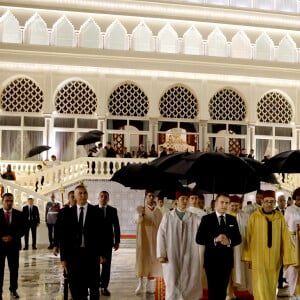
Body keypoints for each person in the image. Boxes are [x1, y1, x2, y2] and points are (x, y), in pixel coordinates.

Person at [242, 190, 296, 300]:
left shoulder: (279, 217)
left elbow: (285, 238)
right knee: (260, 285)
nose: (269, 204)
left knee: (272, 286)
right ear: (262, 201)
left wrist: (287, 258)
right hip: (258, 258)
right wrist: (248, 257)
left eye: (271, 202)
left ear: (275, 202)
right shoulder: (254, 217)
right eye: (266, 201)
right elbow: (248, 237)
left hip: (275, 258)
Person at [59, 185, 105, 300]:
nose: (83, 195)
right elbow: (63, 237)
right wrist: (63, 258)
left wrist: (103, 254)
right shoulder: (67, 213)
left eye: (85, 193)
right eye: (80, 193)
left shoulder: (97, 212)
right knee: (76, 287)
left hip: (92, 255)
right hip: (73, 256)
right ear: (74, 196)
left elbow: (102, 235)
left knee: (94, 287)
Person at [157, 191, 203, 300]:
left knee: (190, 279)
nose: (185, 201)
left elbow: (204, 228)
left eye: (186, 199)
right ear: (177, 201)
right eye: (182, 199)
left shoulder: (194, 217)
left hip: (190, 253)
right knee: (172, 280)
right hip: (172, 254)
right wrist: (161, 254)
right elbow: (161, 235)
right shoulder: (168, 217)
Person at [196, 193, 241, 300]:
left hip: (227, 261)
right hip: (211, 261)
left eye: (226, 203)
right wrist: (215, 240)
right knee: (213, 290)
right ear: (215, 203)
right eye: (222, 202)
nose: (224, 205)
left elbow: (238, 238)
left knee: (222, 290)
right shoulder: (206, 219)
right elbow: (199, 239)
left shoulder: (232, 219)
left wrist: (229, 241)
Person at [134, 190, 162, 295]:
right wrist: (140, 214)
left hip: (154, 239)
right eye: (149, 196)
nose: (151, 198)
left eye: (152, 196)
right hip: (143, 239)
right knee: (142, 260)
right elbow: (136, 220)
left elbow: (161, 226)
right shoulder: (140, 209)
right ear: (146, 197)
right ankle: (140, 283)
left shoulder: (158, 211)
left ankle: (150, 285)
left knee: (153, 261)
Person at [0, 193, 26, 299]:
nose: (9, 203)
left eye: (11, 200)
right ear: (2, 201)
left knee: (14, 269)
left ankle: (13, 290)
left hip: (14, 246)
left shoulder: (19, 214)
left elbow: (23, 229)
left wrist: (13, 237)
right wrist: (1, 237)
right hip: (0, 246)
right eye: (7, 201)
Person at [226, 195, 251, 300]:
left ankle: (235, 290)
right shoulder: (224, 216)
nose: (234, 208)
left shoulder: (245, 216)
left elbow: (249, 232)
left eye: (236, 205)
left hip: (240, 248)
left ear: (240, 205)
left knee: (237, 270)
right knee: (227, 271)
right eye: (232, 205)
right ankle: (228, 292)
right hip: (227, 249)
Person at [97, 191, 120, 296]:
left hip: (107, 243)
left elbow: (116, 226)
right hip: (95, 243)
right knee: (95, 266)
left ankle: (104, 286)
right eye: (101, 196)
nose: (103, 198)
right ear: (98, 198)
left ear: (108, 199)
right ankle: (96, 285)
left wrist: (117, 241)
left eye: (105, 197)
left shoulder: (112, 210)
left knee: (106, 266)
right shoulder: (92, 209)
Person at [285, 187, 300, 298]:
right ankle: (293, 294)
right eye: (298, 199)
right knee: (292, 269)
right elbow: (285, 226)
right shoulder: (289, 210)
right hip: (292, 242)